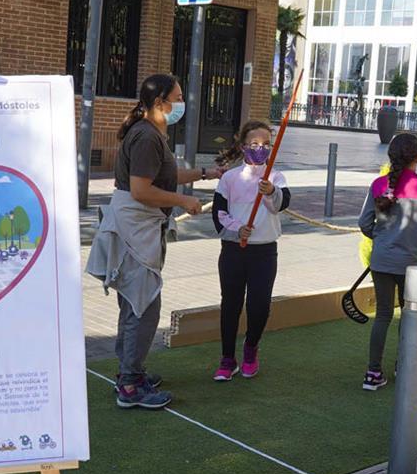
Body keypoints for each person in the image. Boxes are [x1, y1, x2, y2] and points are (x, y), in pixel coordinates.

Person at [86, 74, 221, 410]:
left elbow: (163, 175)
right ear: (160, 102)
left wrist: (206, 174)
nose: (181, 103)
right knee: (142, 306)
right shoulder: (146, 136)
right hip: (134, 229)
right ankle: (130, 385)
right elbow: (141, 190)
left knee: (135, 303)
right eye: (177, 97)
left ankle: (129, 372)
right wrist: (182, 201)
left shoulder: (151, 133)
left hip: (138, 227)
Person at [358, 133, 417, 390]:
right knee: (408, 315)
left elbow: (364, 223)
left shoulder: (378, 184)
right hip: (410, 263)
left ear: (391, 156)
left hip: (381, 260)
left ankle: (372, 372)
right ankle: (404, 365)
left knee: (383, 315)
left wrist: (381, 238)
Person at [210, 121, 291, 381]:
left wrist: (271, 192)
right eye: (255, 144)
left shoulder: (275, 177)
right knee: (231, 304)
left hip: (264, 252)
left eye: (266, 144)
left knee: (259, 306)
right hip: (233, 251)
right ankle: (227, 358)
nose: (260, 149)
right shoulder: (230, 178)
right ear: (243, 146)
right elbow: (218, 213)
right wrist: (238, 230)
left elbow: (281, 205)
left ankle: (251, 347)